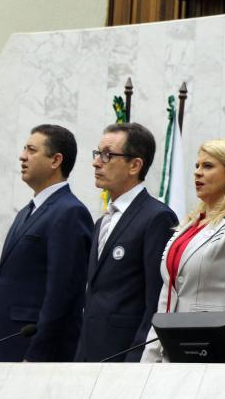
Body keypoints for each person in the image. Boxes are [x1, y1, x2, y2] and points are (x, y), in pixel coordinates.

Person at [141, 139, 225, 363]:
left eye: (208, 166)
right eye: (196, 166)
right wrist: (151, 355)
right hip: (171, 344)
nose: (198, 173)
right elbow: (168, 295)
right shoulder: (188, 224)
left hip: (213, 347)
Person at [0, 125, 93, 361]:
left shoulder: (70, 212)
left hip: (31, 349)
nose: (22, 156)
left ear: (56, 160)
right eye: (24, 149)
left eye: (32, 150)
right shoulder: (26, 211)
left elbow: (62, 294)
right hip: (3, 342)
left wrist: (37, 355)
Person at [75, 123, 178, 362]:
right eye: (97, 154)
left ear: (135, 165)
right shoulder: (102, 221)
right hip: (90, 354)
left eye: (107, 155)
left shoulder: (156, 217)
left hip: (126, 357)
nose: (96, 162)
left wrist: (137, 359)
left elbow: (156, 300)